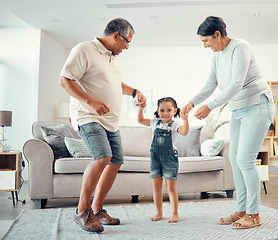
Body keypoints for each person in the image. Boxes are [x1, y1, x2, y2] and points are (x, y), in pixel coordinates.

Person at [181, 16, 275, 229]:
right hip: (239, 109)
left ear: (217, 34)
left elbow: (235, 84)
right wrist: (192, 102)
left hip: (258, 105)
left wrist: (209, 107)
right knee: (234, 158)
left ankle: (254, 214)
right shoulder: (217, 55)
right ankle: (242, 209)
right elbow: (211, 83)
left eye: (206, 41)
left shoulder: (240, 47)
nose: (205, 46)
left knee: (245, 159)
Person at [59, 18, 147, 233]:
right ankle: (82, 211)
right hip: (88, 116)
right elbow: (65, 80)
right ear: (115, 35)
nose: (127, 46)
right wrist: (91, 101)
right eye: (127, 41)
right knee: (102, 157)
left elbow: (113, 83)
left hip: (110, 121)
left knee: (115, 161)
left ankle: (97, 210)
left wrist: (134, 91)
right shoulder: (84, 50)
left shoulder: (111, 57)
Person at [138, 97, 189, 223]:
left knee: (170, 187)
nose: (165, 113)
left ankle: (175, 213)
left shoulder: (175, 124)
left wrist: (186, 119)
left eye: (169, 110)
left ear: (175, 111)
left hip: (169, 158)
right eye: (162, 110)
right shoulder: (155, 123)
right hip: (155, 158)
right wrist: (140, 109)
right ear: (157, 110)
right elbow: (140, 120)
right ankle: (159, 212)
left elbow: (184, 132)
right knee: (156, 187)